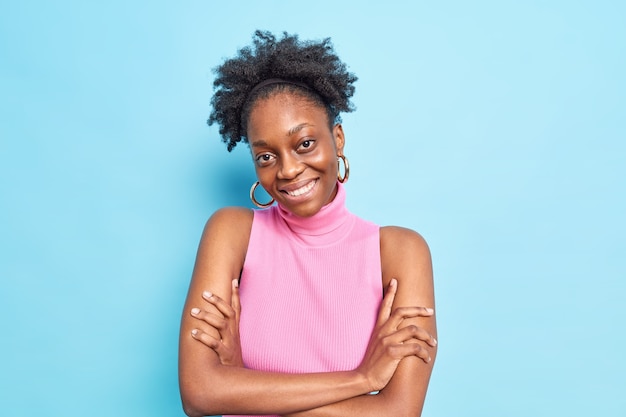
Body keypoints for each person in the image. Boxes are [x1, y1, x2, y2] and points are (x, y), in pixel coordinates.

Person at [178, 30, 437, 417]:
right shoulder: (232, 232)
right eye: (265, 156)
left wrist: (238, 380)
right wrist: (363, 380)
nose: (288, 170)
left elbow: (399, 412)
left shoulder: (399, 252)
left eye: (304, 144)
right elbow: (199, 394)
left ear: (338, 139)